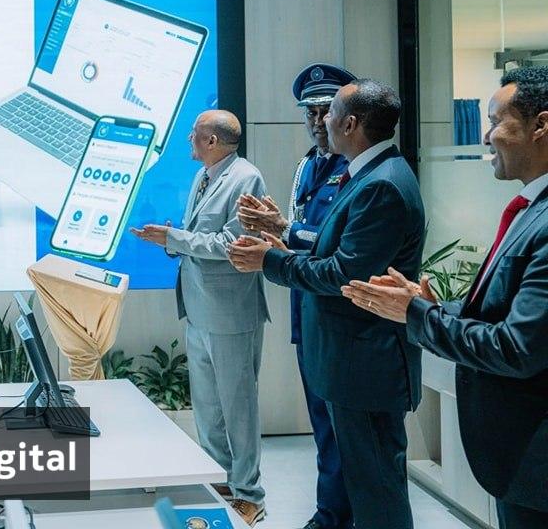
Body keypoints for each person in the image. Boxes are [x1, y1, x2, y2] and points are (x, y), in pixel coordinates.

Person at [342, 67, 548, 529]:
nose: (486, 137)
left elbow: (517, 348)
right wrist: (431, 306)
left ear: (541, 125)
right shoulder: (530, 208)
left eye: (495, 122)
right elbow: (502, 312)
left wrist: (417, 314)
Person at [226, 80, 424, 529]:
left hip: (365, 361)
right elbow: (336, 248)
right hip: (350, 357)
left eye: (329, 112)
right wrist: (286, 238)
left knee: (376, 488)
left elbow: (343, 273)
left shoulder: (381, 185)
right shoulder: (368, 175)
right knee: (362, 478)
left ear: (350, 124)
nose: (321, 122)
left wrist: (270, 259)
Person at [131, 110, 270, 525]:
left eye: (194, 133)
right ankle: (220, 484)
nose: (189, 139)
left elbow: (233, 244)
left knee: (238, 410)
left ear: (211, 141)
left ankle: (249, 495)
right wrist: (171, 241)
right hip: (198, 309)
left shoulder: (246, 179)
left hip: (231, 314)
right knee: (208, 409)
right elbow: (198, 236)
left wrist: (173, 238)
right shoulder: (203, 175)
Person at [236, 63, 355, 529]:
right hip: (307, 307)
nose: (317, 121)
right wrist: (274, 230)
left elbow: (333, 241)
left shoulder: (356, 170)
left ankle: (336, 516)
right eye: (310, 113)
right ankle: (330, 513)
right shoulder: (309, 166)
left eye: (326, 111)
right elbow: (300, 236)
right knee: (323, 426)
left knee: (345, 432)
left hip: (341, 311)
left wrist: (285, 229)